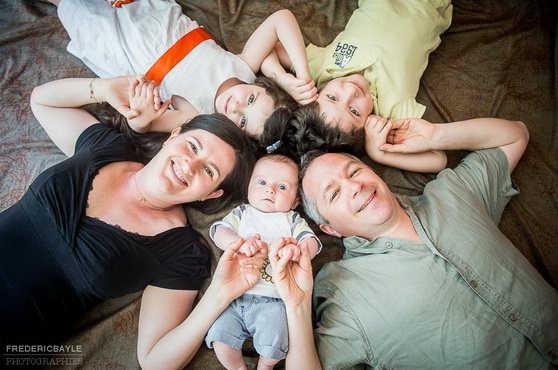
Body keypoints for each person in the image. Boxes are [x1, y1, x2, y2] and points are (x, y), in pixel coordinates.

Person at [0, 76, 262, 369]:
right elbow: (43, 100)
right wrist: (102, 89)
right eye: (192, 146)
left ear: (211, 194)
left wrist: (220, 294)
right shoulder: (107, 146)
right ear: (173, 136)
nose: (190, 164)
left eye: (209, 171)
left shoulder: (181, 252)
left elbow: (154, 362)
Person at [295, 116, 558, 368]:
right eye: (335, 193)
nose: (355, 187)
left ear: (373, 173)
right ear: (330, 228)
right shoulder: (344, 293)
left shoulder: (453, 192)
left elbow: (515, 136)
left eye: (354, 172)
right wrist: (297, 306)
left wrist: (435, 135)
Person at [49, 0, 317, 139]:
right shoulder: (245, 66)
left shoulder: (199, 115)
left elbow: (145, 126)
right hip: (160, 21)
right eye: (250, 100)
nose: (236, 106)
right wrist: (299, 78)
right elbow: (281, 18)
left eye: (242, 121)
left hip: (124, 48)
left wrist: (140, 118)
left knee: (72, 7)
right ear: (261, 86)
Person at [261, 0, 452, 171]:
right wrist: (380, 153)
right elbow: (438, 159)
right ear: (366, 127)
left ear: (318, 93)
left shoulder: (320, 70)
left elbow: (270, 48)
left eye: (333, 98)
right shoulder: (391, 110)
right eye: (354, 111)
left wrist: (286, 81)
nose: (351, 92)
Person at [206, 154, 321, 369]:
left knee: (276, 342)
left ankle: (265, 366)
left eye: (282, 187)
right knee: (219, 337)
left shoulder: (292, 219)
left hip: (274, 301)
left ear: (296, 201)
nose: (270, 190)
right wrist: (237, 243)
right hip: (234, 297)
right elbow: (218, 231)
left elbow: (311, 240)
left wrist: (297, 250)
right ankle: (237, 367)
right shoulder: (242, 213)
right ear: (248, 187)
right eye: (262, 183)